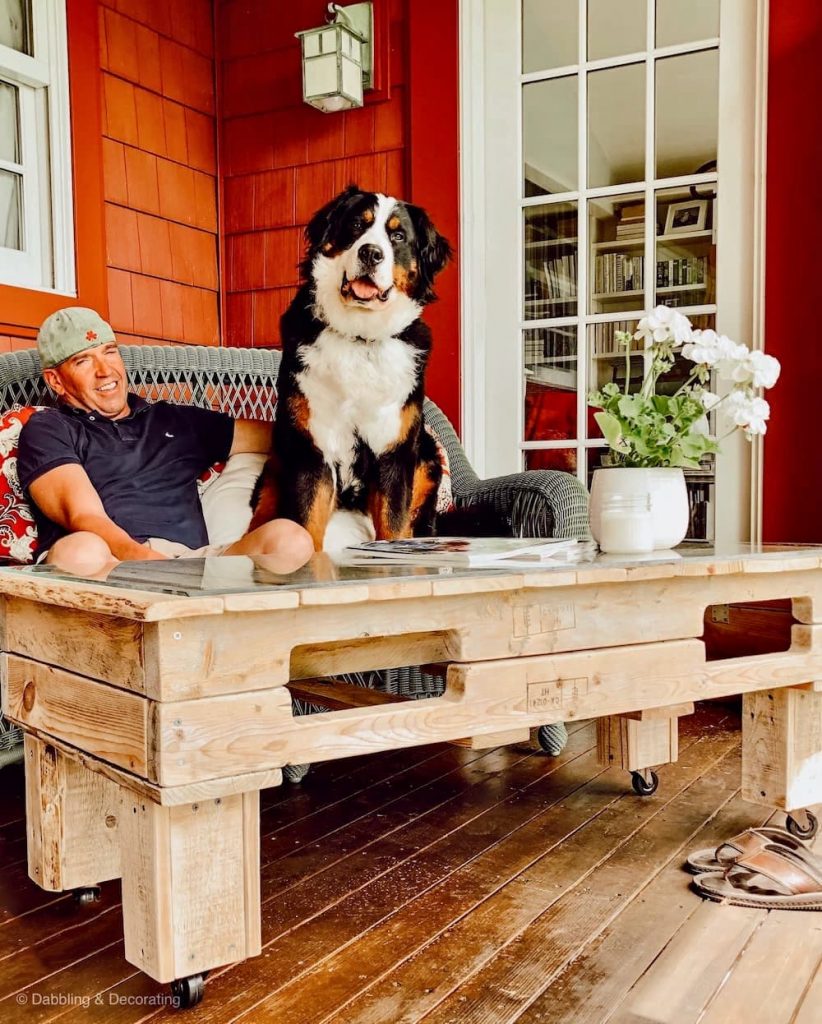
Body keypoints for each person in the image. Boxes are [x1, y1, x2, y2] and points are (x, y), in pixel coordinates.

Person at [17, 307, 314, 575]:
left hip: (193, 565)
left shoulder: (173, 421)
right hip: (108, 567)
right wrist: (152, 567)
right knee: (80, 550)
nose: (105, 370)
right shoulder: (49, 428)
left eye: (109, 352)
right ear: (56, 381)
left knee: (290, 540)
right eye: (83, 361)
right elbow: (82, 515)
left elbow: (289, 436)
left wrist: (343, 431)